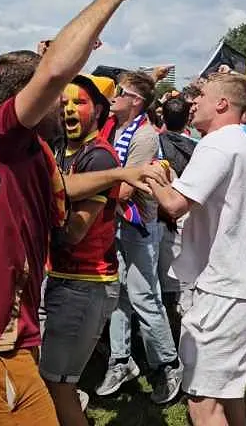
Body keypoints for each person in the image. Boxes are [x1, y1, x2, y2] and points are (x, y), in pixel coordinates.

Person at [0, 0, 148, 425]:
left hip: (12, 342)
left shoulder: (31, 156)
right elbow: (46, 76)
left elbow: (65, 187)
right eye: (60, 95)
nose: (64, 102)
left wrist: (121, 173)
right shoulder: (0, 141)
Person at [143, 72, 246, 426]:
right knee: (226, 393)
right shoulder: (235, 142)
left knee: (201, 402)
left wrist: (148, 176)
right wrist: (169, 181)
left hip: (225, 287)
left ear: (222, 104)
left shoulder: (217, 143)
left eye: (202, 95)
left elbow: (176, 205)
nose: (192, 101)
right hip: (239, 282)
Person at [96, 71, 182, 404]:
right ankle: (121, 359)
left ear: (136, 102)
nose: (113, 95)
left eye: (121, 91)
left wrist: (87, 183)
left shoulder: (144, 135)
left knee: (145, 296)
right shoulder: (113, 128)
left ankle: (167, 364)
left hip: (137, 226)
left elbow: (126, 188)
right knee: (116, 294)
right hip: (114, 223)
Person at [42, 75, 121, 426]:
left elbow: (74, 232)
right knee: (51, 380)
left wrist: (36, 205)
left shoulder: (100, 158)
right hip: (58, 277)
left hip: (86, 283)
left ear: (99, 110)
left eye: (80, 102)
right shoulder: (63, 148)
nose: (69, 108)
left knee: (58, 385)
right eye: (65, 103)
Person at [154, 98, 198, 342]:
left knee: (167, 276)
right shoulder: (198, 149)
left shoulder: (157, 144)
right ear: (187, 121)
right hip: (185, 216)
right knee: (182, 277)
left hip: (167, 214)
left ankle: (176, 329)